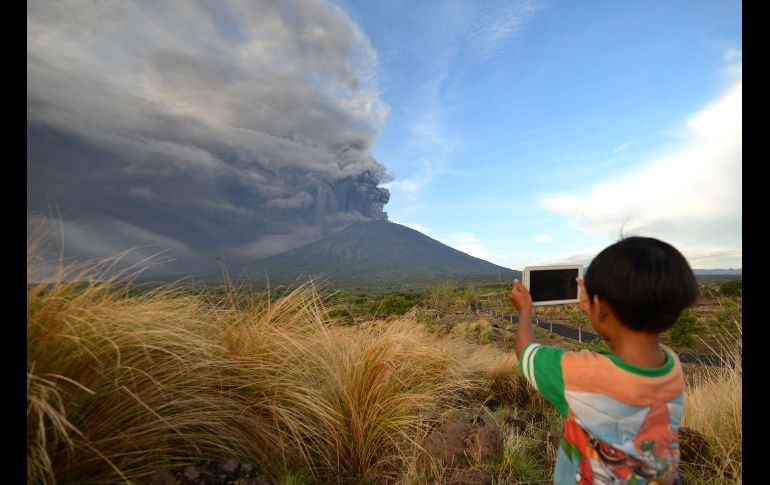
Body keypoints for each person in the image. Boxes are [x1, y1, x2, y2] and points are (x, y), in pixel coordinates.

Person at [508, 236, 698, 484]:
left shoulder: (580, 373)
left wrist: (524, 311)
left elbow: (525, 351)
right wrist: (599, 311)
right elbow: (627, 343)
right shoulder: (670, 366)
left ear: (603, 306)